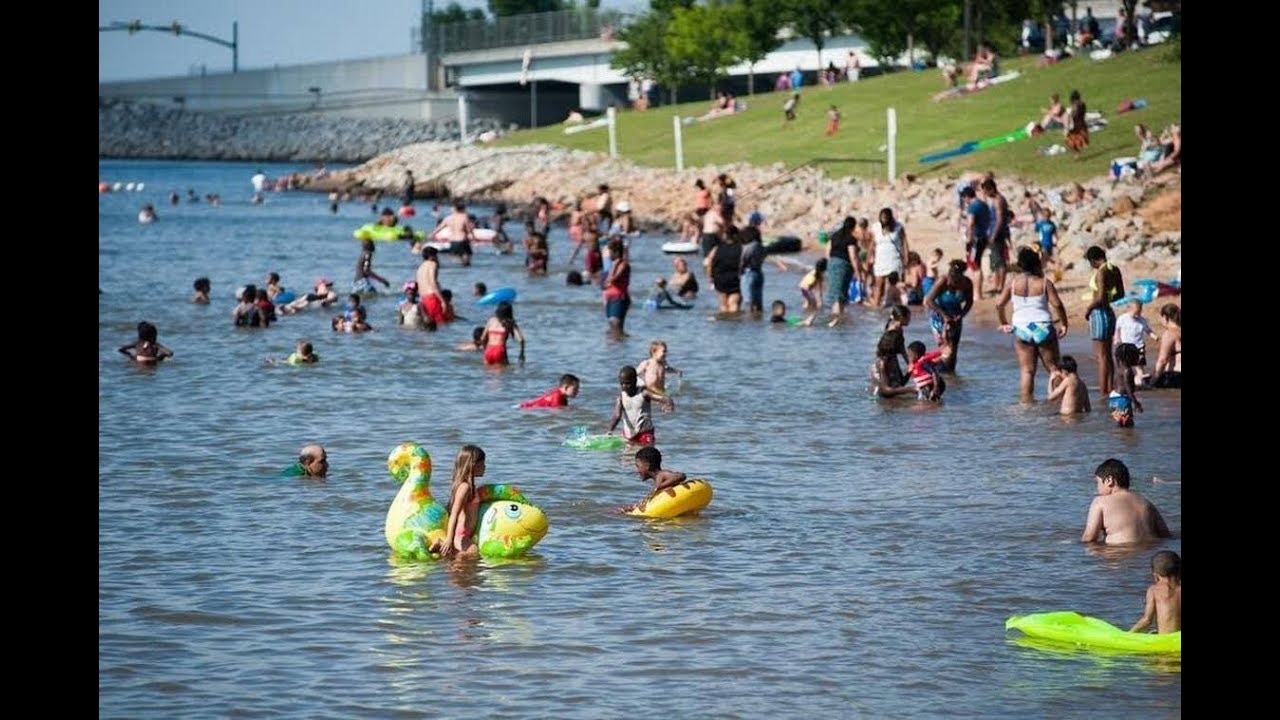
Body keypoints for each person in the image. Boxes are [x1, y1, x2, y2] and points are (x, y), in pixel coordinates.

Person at [995, 247, 1069, 401]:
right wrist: (1064, 324)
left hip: (1022, 328)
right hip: (1043, 327)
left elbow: (999, 304)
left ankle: (1027, 406)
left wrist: (1004, 322)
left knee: (1027, 371)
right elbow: (1057, 304)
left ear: (1020, 265)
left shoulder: (1013, 283)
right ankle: (1060, 402)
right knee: (1054, 368)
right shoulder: (1044, 283)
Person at [1081, 458, 1171, 544]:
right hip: (1147, 554)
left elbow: (1089, 538)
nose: (1097, 488)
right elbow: (1166, 535)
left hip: (1121, 553)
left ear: (1109, 480)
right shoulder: (1146, 502)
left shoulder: (1100, 502)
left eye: (1098, 482)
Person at [430, 445, 487, 558]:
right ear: (473, 465)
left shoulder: (471, 487)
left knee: (466, 564)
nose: (485, 467)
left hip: (467, 534)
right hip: (461, 535)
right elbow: (454, 514)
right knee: (473, 555)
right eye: (483, 464)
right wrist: (449, 540)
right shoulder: (465, 487)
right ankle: (441, 544)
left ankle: (443, 548)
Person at [1084, 246, 1125, 398]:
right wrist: (1107, 300)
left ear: (1093, 260)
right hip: (1109, 313)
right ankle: (1110, 389)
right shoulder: (1115, 269)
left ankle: (1103, 393)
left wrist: (1089, 308)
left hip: (1099, 314)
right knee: (1107, 355)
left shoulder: (1101, 271)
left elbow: (1100, 297)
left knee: (1101, 356)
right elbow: (1120, 294)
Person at [608, 365, 673, 446]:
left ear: (635, 381)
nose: (624, 386)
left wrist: (669, 403)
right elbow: (617, 416)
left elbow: (663, 398)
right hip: (628, 434)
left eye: (627, 383)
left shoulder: (644, 393)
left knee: (646, 454)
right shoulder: (621, 397)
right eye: (622, 384)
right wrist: (610, 431)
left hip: (645, 433)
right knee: (627, 456)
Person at [811, 217, 858, 326]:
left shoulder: (835, 236)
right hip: (843, 265)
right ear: (853, 227)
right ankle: (837, 319)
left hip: (832, 264)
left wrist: (831, 265)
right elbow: (853, 256)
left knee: (836, 293)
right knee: (840, 295)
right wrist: (857, 271)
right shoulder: (850, 238)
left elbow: (827, 252)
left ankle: (836, 318)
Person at [619, 446, 689, 513]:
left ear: (647, 465)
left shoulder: (662, 474)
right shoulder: (658, 479)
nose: (637, 470)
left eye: (638, 466)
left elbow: (680, 476)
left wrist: (659, 487)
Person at [1130, 551, 1181, 634]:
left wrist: (1129, 634)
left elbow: (1147, 620)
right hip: (1177, 639)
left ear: (1155, 574)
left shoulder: (1154, 590)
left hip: (1165, 640)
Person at [870, 208, 909, 308]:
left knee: (894, 284)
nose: (884, 219)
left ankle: (898, 306)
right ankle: (876, 308)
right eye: (882, 217)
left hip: (894, 259)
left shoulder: (898, 227)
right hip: (880, 259)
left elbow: (904, 242)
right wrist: (869, 257)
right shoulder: (875, 227)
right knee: (879, 284)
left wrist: (906, 257)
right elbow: (872, 244)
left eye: (886, 217)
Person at [1114, 299, 1159, 385]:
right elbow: (1117, 329)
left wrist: (1154, 336)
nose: (1137, 315)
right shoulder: (1122, 318)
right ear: (1128, 309)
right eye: (1135, 313)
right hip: (1126, 346)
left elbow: (1148, 331)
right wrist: (1117, 338)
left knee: (1139, 366)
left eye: (1139, 313)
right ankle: (1126, 380)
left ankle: (1140, 381)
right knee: (1126, 365)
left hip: (1139, 346)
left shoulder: (1142, 320)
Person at [982, 179, 1013, 296]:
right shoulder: (996, 199)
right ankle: (996, 285)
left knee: (999, 261)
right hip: (995, 231)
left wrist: (993, 235)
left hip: (998, 233)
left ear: (991, 188)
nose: (985, 194)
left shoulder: (998, 200)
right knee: (995, 260)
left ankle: (1000, 287)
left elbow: (1000, 220)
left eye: (986, 191)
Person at [870, 305, 912, 391]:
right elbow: (900, 349)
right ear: (901, 318)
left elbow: (902, 348)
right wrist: (910, 364)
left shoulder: (896, 328)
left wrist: (910, 364)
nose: (910, 319)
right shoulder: (894, 331)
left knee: (896, 383)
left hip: (887, 358)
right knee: (890, 387)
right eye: (908, 317)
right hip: (887, 359)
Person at [704, 225, 743, 313]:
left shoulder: (717, 248)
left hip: (720, 279)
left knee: (723, 304)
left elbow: (708, 263)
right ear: (736, 235)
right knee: (734, 302)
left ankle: (723, 322)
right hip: (735, 278)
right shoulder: (741, 248)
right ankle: (734, 322)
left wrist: (710, 277)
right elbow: (743, 263)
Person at [602, 238, 633, 338]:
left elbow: (614, 279)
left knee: (615, 323)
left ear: (616, 252)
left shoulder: (623, 264)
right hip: (610, 298)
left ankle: (619, 344)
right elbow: (606, 282)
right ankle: (617, 347)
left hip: (619, 297)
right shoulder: (613, 264)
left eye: (610, 252)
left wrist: (613, 267)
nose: (608, 255)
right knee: (612, 325)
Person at [1109, 343, 1144, 427]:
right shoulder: (1127, 371)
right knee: (1128, 424)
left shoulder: (1118, 367)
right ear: (1129, 358)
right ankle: (1128, 439)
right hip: (1122, 399)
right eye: (1136, 356)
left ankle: (1121, 438)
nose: (1138, 359)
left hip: (1113, 398)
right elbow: (1128, 388)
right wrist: (1135, 402)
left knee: (1121, 423)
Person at [739, 212, 767, 315]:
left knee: (748, 302)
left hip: (748, 273)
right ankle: (758, 323)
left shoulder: (750, 246)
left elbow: (743, 259)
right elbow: (764, 256)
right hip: (759, 273)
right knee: (758, 302)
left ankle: (750, 326)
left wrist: (739, 270)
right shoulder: (760, 246)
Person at [481, 301, 525, 366]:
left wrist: (485, 350)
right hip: (499, 350)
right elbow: (521, 340)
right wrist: (521, 353)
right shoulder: (510, 323)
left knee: (488, 375)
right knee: (502, 375)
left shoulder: (491, 320)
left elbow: (482, 338)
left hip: (488, 350)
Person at [416, 246, 450, 327]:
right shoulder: (432, 264)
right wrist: (442, 301)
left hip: (423, 298)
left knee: (429, 326)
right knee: (440, 324)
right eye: (436, 256)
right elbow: (432, 283)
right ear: (432, 256)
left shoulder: (420, 267)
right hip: (432, 298)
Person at [1151, 304, 1181, 388]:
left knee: (1141, 381)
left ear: (1165, 317)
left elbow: (1162, 360)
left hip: (1176, 375)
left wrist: (1154, 378)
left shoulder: (1169, 334)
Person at [799, 257, 827, 324]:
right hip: (806, 288)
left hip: (802, 287)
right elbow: (819, 289)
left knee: (808, 302)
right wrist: (819, 301)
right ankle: (809, 320)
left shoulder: (815, 271)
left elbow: (817, 287)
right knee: (815, 305)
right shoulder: (818, 275)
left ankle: (804, 314)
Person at [1033, 207, 1058, 278]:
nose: (1047, 217)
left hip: (1050, 243)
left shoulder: (1052, 224)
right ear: (1043, 216)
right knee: (1044, 255)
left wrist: (1056, 240)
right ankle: (1044, 268)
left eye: (1048, 216)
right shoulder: (1041, 224)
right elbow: (1036, 230)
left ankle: (1048, 267)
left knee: (1048, 256)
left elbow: (1055, 233)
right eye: (1045, 216)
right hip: (1043, 243)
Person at [1065, 90, 1089, 159]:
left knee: (1070, 140)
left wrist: (1070, 114)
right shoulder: (1082, 104)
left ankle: (1077, 153)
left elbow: (1074, 115)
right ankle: (1077, 153)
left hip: (1077, 127)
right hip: (1082, 125)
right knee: (1074, 140)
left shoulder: (1076, 105)